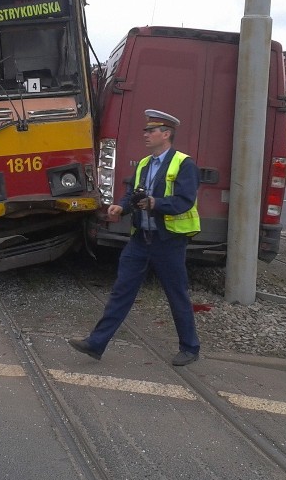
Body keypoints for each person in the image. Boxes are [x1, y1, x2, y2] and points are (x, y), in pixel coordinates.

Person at [69, 109, 202, 366]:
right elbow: (133, 194)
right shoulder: (143, 164)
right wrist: (122, 207)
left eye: (151, 131)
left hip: (169, 241)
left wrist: (155, 203)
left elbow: (184, 201)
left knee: (177, 295)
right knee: (121, 291)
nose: (146, 134)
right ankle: (96, 343)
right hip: (141, 239)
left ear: (166, 134)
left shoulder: (184, 164)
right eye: (146, 130)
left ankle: (190, 347)